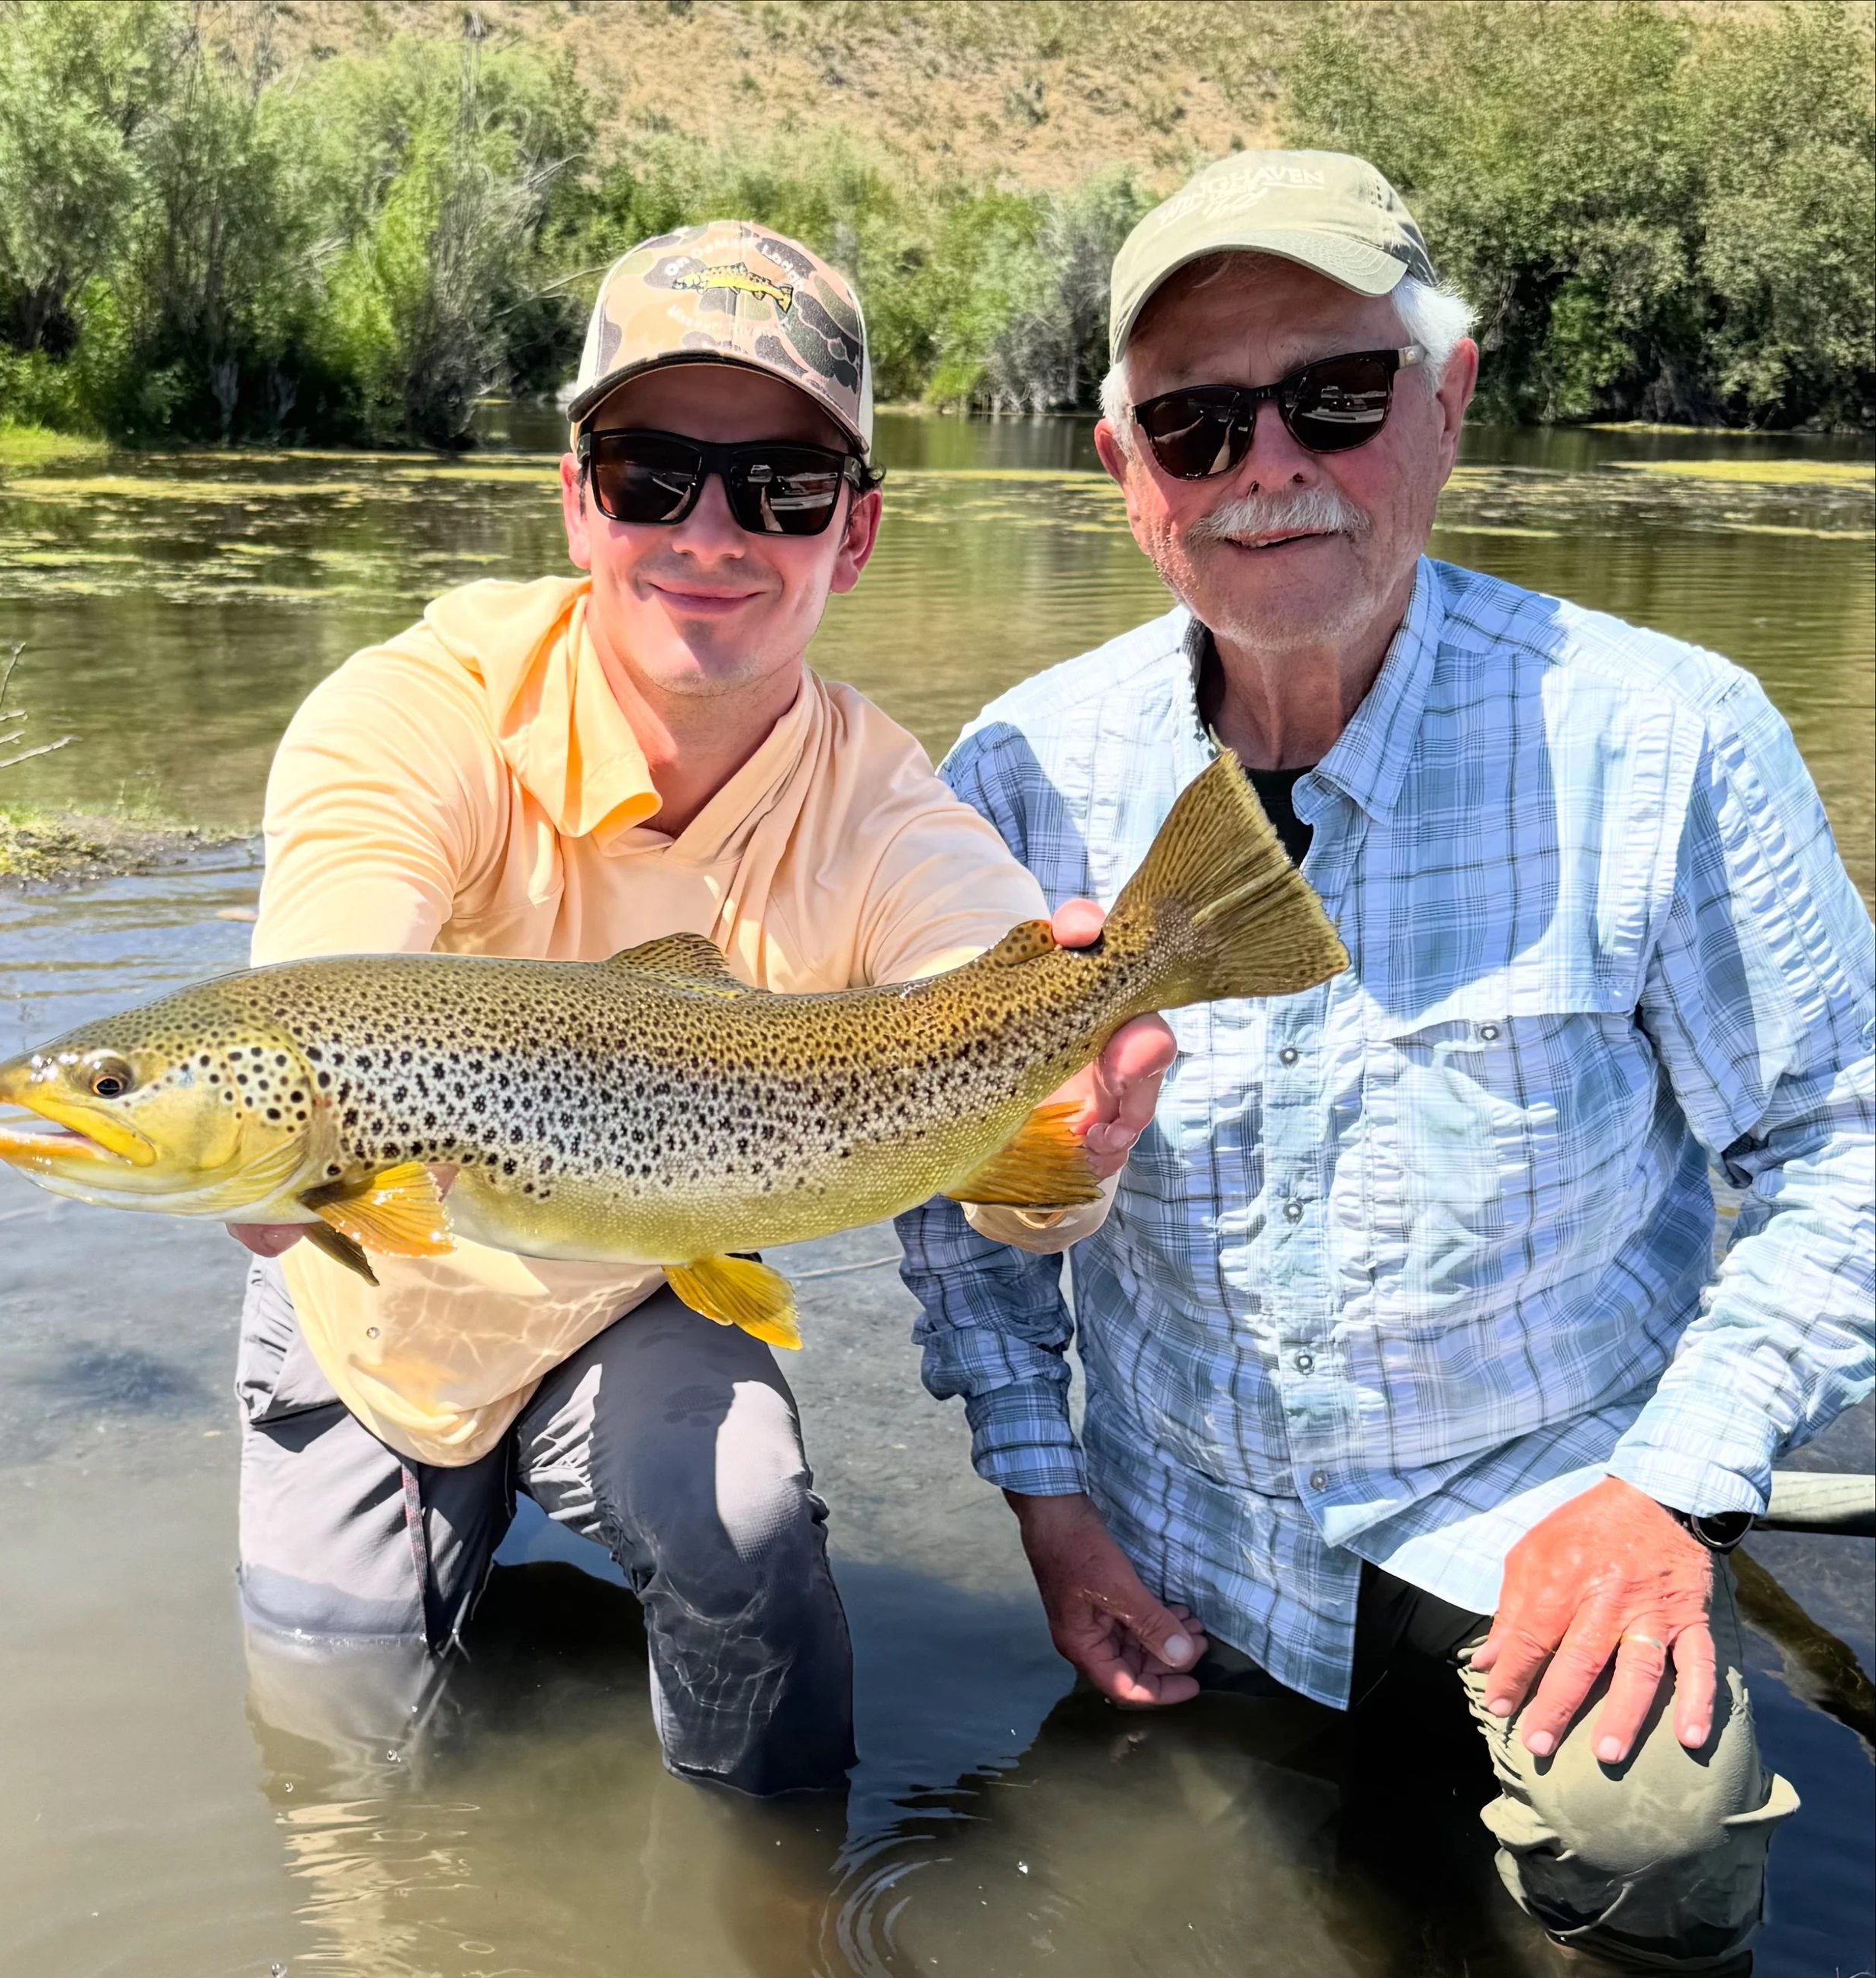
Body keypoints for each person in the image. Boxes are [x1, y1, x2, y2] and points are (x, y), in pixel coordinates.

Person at [897, 150, 1874, 1970]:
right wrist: (1047, 1509)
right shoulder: (1021, 774)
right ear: (1123, 476)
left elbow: (1846, 1142)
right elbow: (958, 1212)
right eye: (1194, 426)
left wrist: (1670, 1489)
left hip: (1536, 1500)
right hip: (1185, 1528)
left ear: (1445, 400)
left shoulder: (1661, 743)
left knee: (1647, 1837)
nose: (1266, 466)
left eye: (1332, 398)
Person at [227, 220, 1174, 1798]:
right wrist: (278, 1130)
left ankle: (775, 1895)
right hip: (373, 1315)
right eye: (649, 471)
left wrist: (1073, 1130)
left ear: (853, 535)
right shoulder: (412, 714)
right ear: (576, 499)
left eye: (780, 487)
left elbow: (983, 1016)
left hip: (627, 1289)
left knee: (743, 1516)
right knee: (335, 1739)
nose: (709, 532)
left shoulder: (886, 810)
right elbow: (333, 967)